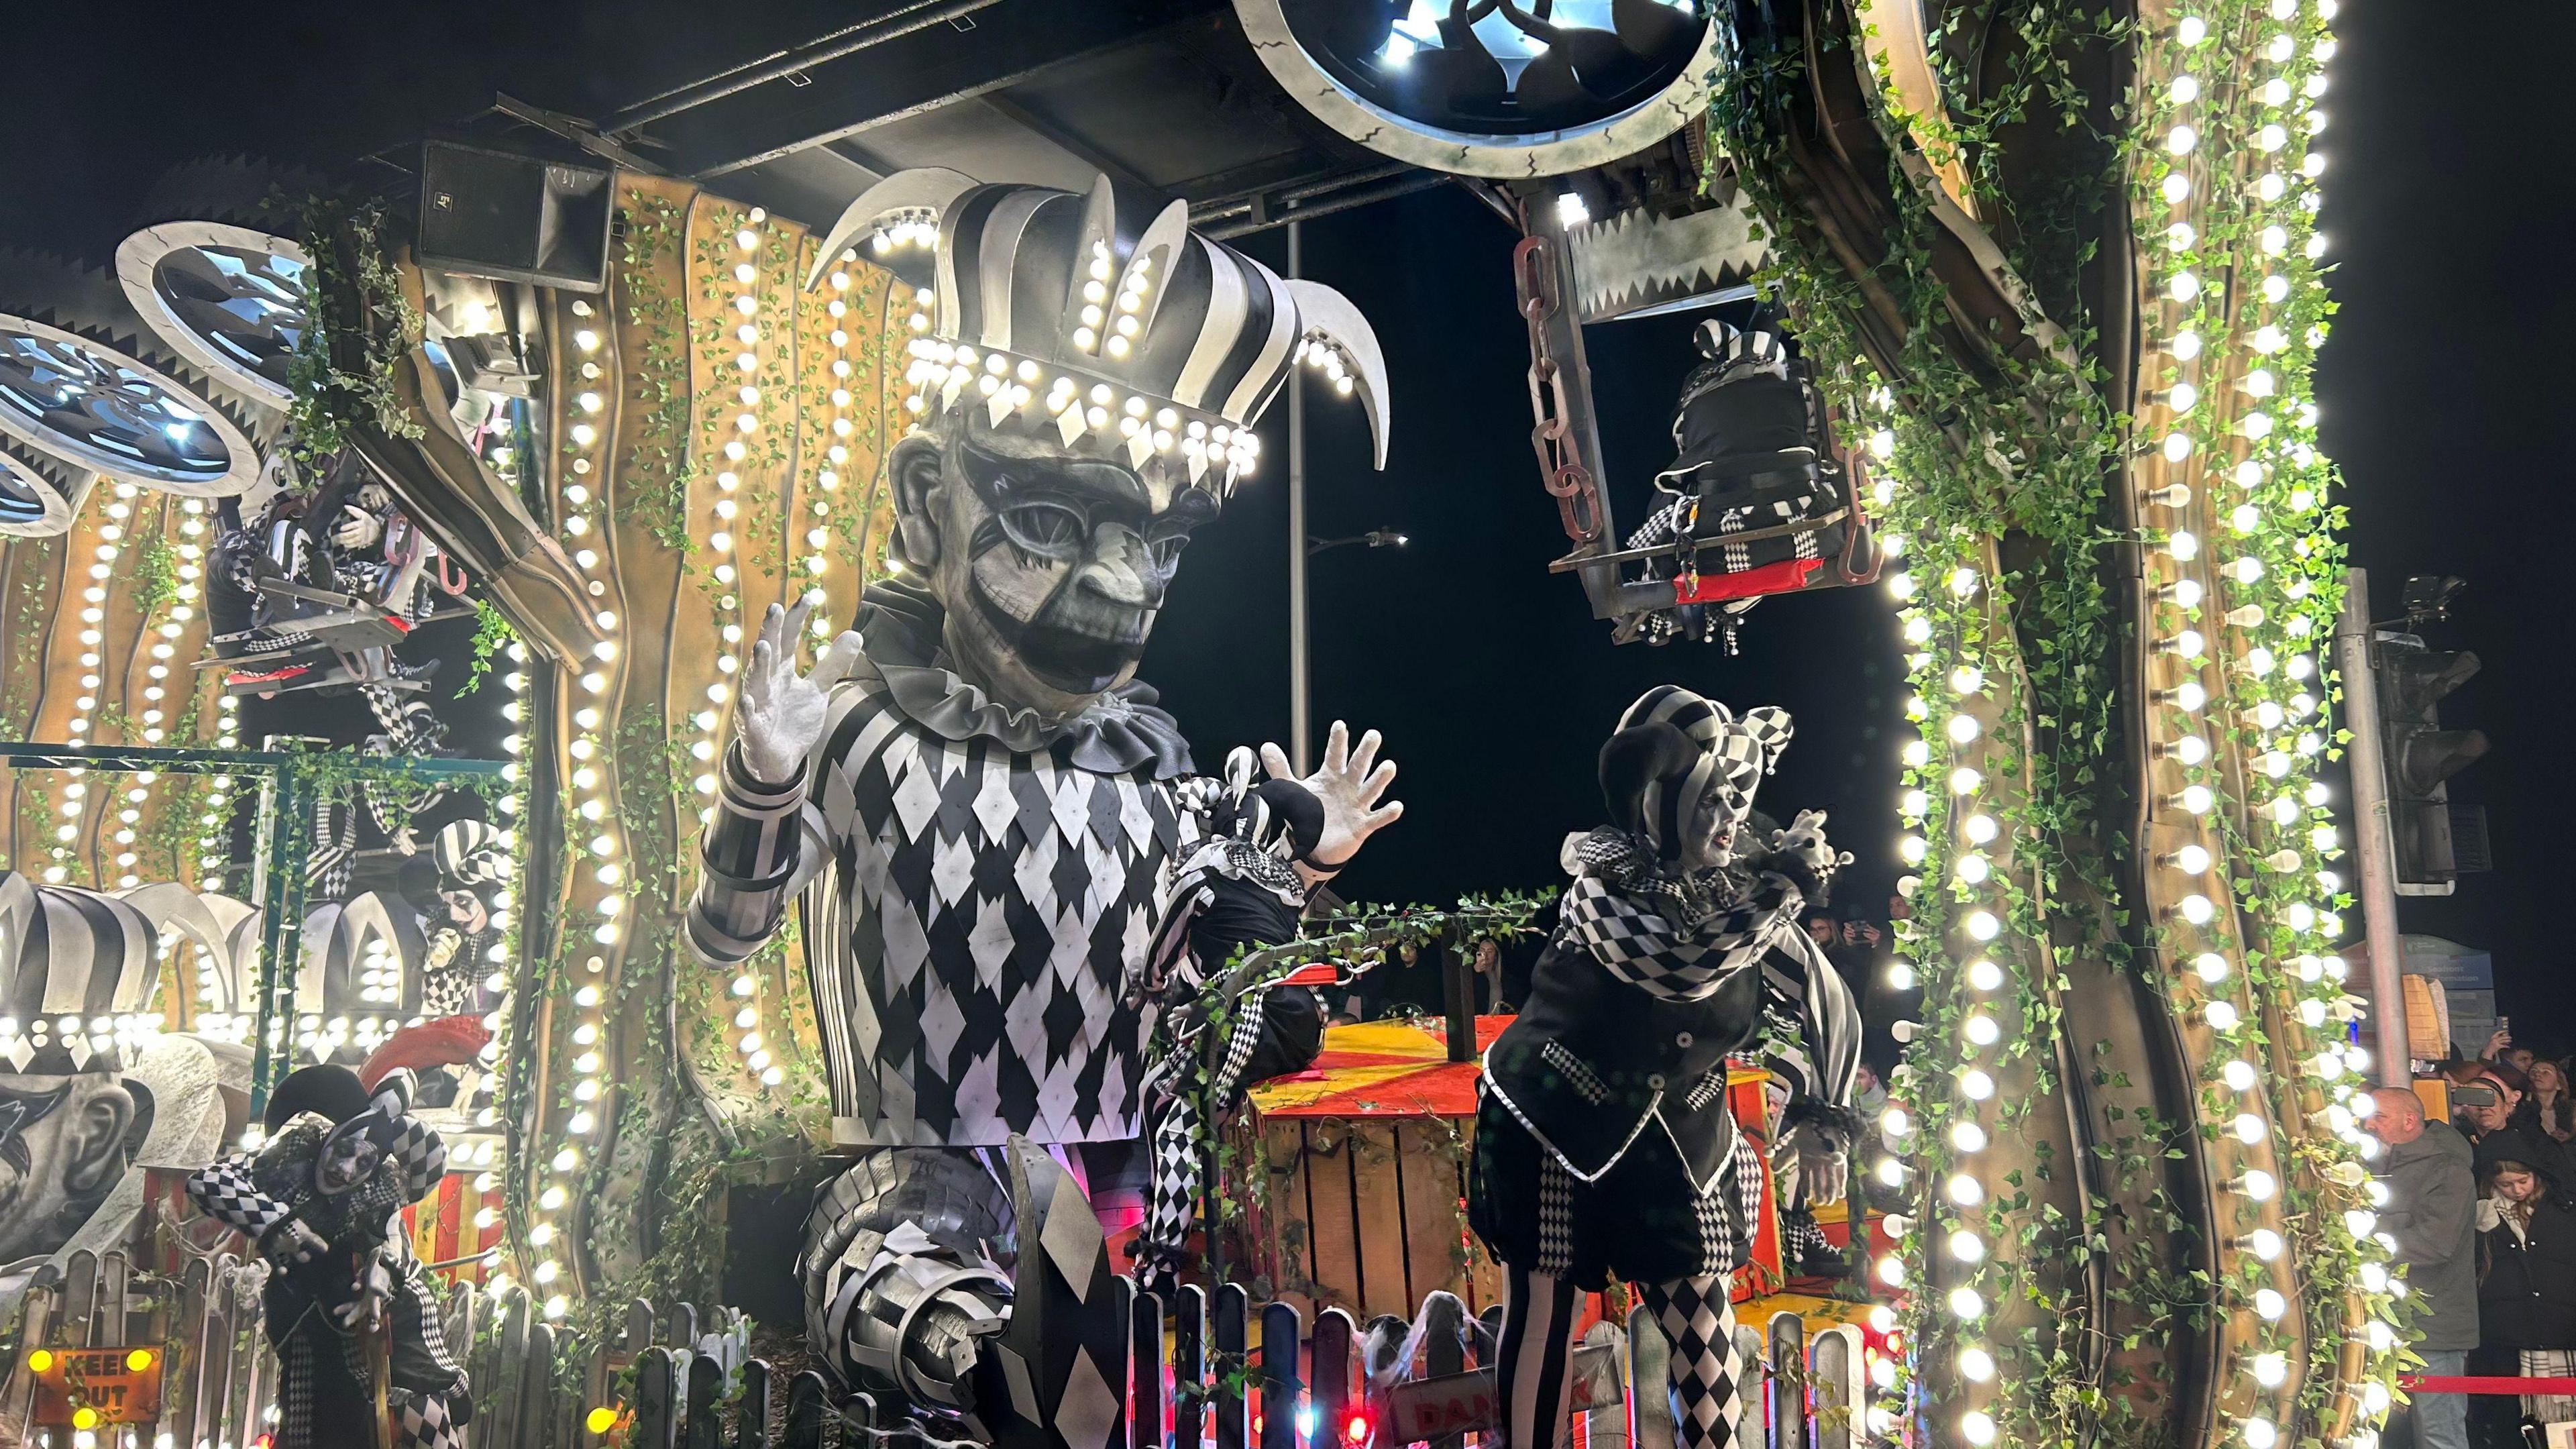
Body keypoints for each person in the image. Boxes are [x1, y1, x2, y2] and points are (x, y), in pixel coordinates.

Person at [2369, 1085, 2479, 1449]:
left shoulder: (2448, 1169)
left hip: (2435, 1326)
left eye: (2380, 1117)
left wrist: (2367, 1245)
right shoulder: (2374, 1166)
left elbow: (2436, 1243)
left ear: (2409, 1121)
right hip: (2378, 1326)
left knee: (2438, 1434)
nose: (2369, 1125)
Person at [2470, 1132, 2576, 1448]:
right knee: (2511, 1423)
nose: (2517, 1190)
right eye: (2506, 1184)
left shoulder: (2562, 1208)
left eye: (2523, 1180)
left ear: (2536, 1174)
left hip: (2562, 1333)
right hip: (2508, 1340)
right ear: (2492, 1183)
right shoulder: (2482, 1216)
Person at [2527, 1061, 2575, 1144]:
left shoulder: (2570, 1112)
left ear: (2559, 1085)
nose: (2537, 1074)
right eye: (2533, 1071)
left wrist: (2570, 1137)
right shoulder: (2521, 1108)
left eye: (2546, 1072)